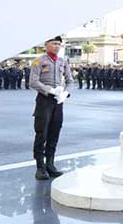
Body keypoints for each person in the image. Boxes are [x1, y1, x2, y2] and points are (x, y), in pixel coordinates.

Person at [29, 36, 74, 181]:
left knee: (54, 132)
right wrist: (50, 90)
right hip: (44, 100)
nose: (57, 46)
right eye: (54, 43)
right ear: (46, 44)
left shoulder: (62, 61)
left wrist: (65, 93)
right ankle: (40, 167)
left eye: (59, 44)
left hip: (58, 101)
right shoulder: (39, 61)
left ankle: (50, 164)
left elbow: (70, 80)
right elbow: (33, 82)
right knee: (41, 133)